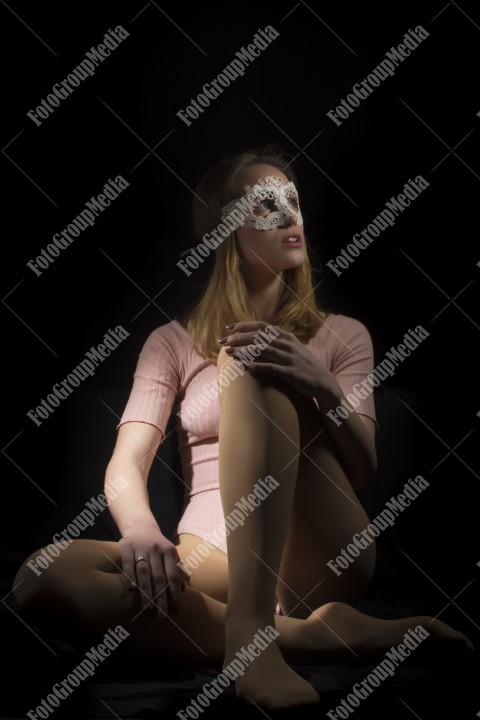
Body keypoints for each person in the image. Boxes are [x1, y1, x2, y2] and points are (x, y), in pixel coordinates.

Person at [13, 146, 473, 710]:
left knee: (251, 356)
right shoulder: (172, 343)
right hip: (210, 554)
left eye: (293, 201)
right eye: (264, 204)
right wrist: (138, 529)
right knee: (40, 576)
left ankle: (253, 640)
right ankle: (325, 635)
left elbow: (363, 468)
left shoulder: (344, 335)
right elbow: (126, 462)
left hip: (320, 549)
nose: (288, 216)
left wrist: (320, 385)